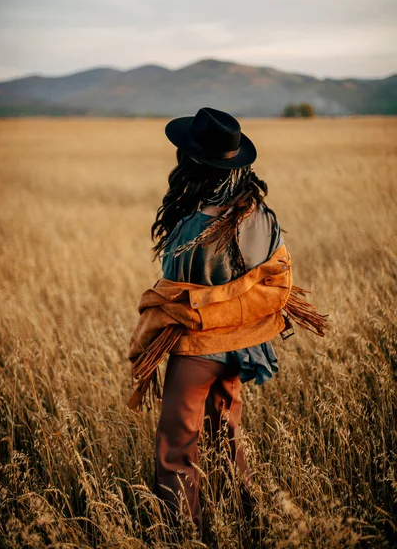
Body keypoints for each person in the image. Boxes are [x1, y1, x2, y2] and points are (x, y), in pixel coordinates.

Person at [128, 107, 328, 536]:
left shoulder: (190, 229)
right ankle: (252, 523)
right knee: (226, 436)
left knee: (176, 451)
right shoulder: (259, 215)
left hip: (198, 350)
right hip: (244, 346)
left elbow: (174, 290)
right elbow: (271, 275)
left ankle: (184, 537)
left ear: (193, 163)